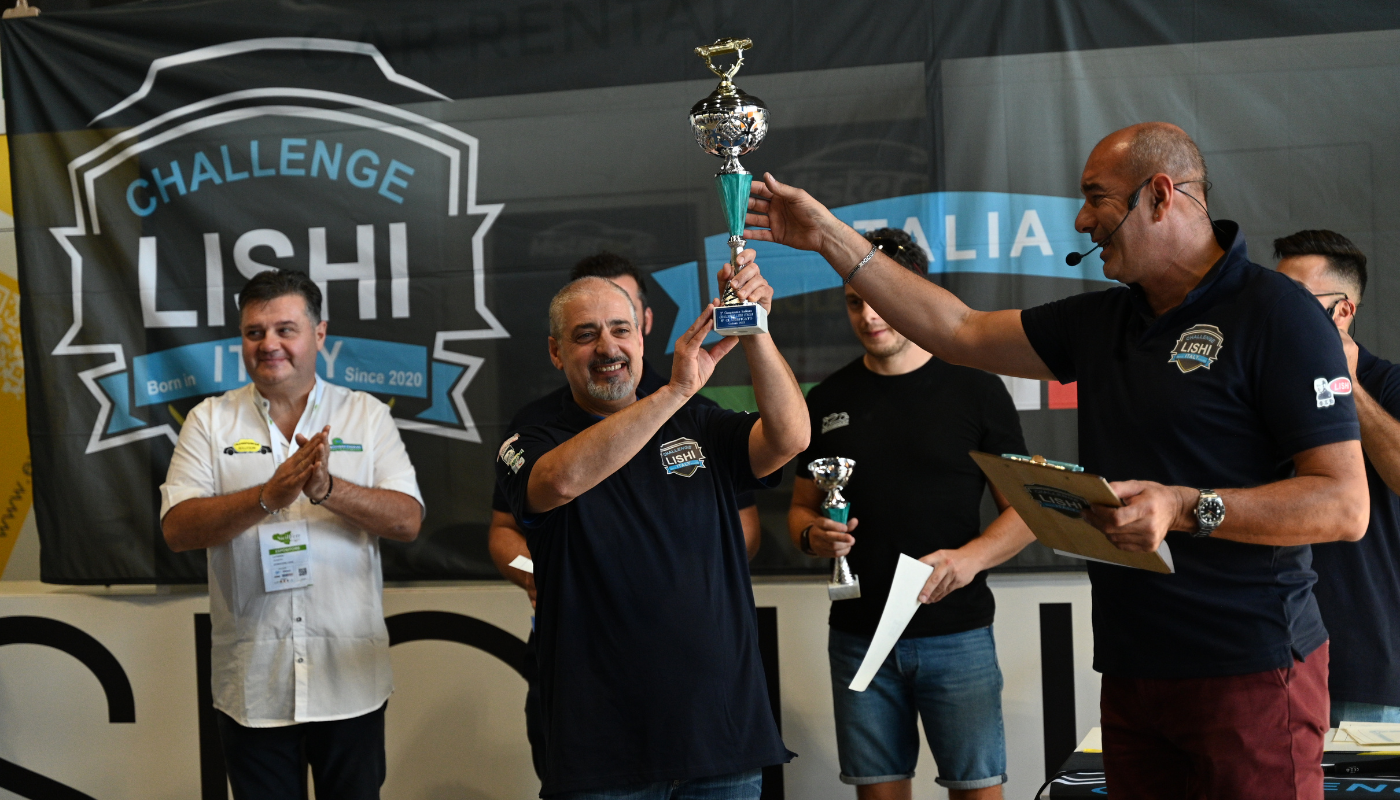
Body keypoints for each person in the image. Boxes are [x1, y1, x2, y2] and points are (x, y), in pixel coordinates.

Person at [744, 123, 1370, 799]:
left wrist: (1185, 507)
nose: (1081, 220)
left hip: (1250, 667)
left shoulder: (1277, 313)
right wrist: (829, 236)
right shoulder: (1103, 322)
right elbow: (957, 330)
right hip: (1132, 668)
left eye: (1096, 198)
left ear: (1160, 196)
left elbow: (1344, 505)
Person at [495, 253, 808, 798]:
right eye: (586, 335)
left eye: (620, 330)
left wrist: (754, 330)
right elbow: (560, 482)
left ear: (641, 337)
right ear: (555, 351)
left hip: (721, 736)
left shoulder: (699, 422)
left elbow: (789, 438)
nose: (607, 348)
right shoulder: (532, 439)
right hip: (602, 751)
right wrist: (673, 393)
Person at [790, 228, 1035, 800]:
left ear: (912, 295)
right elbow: (800, 508)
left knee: (977, 791)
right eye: (855, 302)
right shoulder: (826, 400)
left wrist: (969, 560)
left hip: (957, 634)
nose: (869, 316)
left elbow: (1027, 512)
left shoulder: (976, 390)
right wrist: (812, 536)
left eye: (881, 300)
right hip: (858, 633)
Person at [160, 269, 424, 800]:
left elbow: (407, 521)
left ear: (319, 334)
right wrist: (266, 497)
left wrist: (327, 489)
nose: (269, 344)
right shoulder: (209, 421)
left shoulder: (365, 415)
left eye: (285, 329)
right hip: (254, 686)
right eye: (254, 332)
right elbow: (177, 529)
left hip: (349, 684)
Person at [1275, 230, 1400, 727]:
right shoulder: (1260, 388)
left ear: (1342, 311)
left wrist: (1347, 386)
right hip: (1268, 659)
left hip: (1365, 669)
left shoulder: (1388, 384)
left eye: (1296, 301)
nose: (1278, 313)